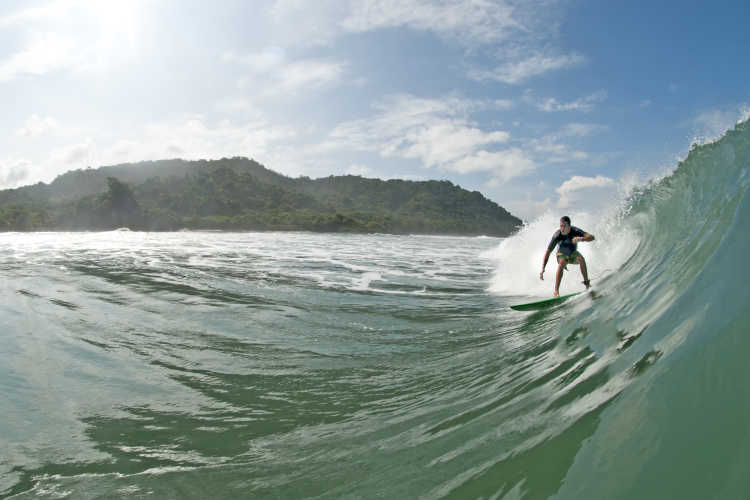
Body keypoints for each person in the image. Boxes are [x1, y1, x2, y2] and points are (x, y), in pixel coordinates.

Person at [540, 216, 594, 297]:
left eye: (564, 226)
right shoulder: (557, 235)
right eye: (561, 226)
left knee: (581, 259)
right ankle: (556, 292)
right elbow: (548, 252)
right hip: (561, 254)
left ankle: (587, 284)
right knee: (562, 262)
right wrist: (543, 268)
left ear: (569, 226)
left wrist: (581, 239)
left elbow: (592, 237)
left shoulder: (575, 231)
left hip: (572, 253)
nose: (562, 228)